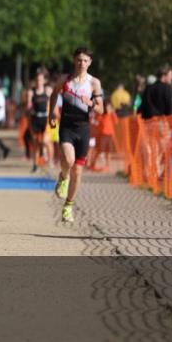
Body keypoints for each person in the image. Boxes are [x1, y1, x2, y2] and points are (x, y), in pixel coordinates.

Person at [49, 47, 105, 223]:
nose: (82, 63)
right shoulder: (65, 80)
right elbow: (54, 94)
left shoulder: (94, 83)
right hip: (66, 126)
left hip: (83, 128)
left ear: (90, 63)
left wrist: (90, 103)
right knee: (69, 160)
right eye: (79, 60)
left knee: (79, 172)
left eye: (85, 60)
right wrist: (51, 113)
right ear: (74, 61)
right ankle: (63, 177)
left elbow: (101, 109)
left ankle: (68, 206)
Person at [26, 68, 53, 173]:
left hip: (45, 118)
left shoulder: (48, 90)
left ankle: (50, 161)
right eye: (37, 79)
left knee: (46, 141)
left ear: (44, 80)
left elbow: (52, 104)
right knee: (36, 143)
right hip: (35, 118)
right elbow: (28, 107)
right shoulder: (31, 92)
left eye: (41, 79)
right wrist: (28, 109)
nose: (39, 81)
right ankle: (35, 164)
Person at [89, 102, 118, 171]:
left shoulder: (112, 115)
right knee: (99, 150)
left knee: (109, 151)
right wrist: (106, 114)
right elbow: (99, 123)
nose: (108, 108)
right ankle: (93, 164)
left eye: (110, 107)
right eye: (107, 107)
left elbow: (116, 122)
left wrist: (113, 113)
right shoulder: (101, 115)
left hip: (110, 135)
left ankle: (107, 166)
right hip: (102, 135)